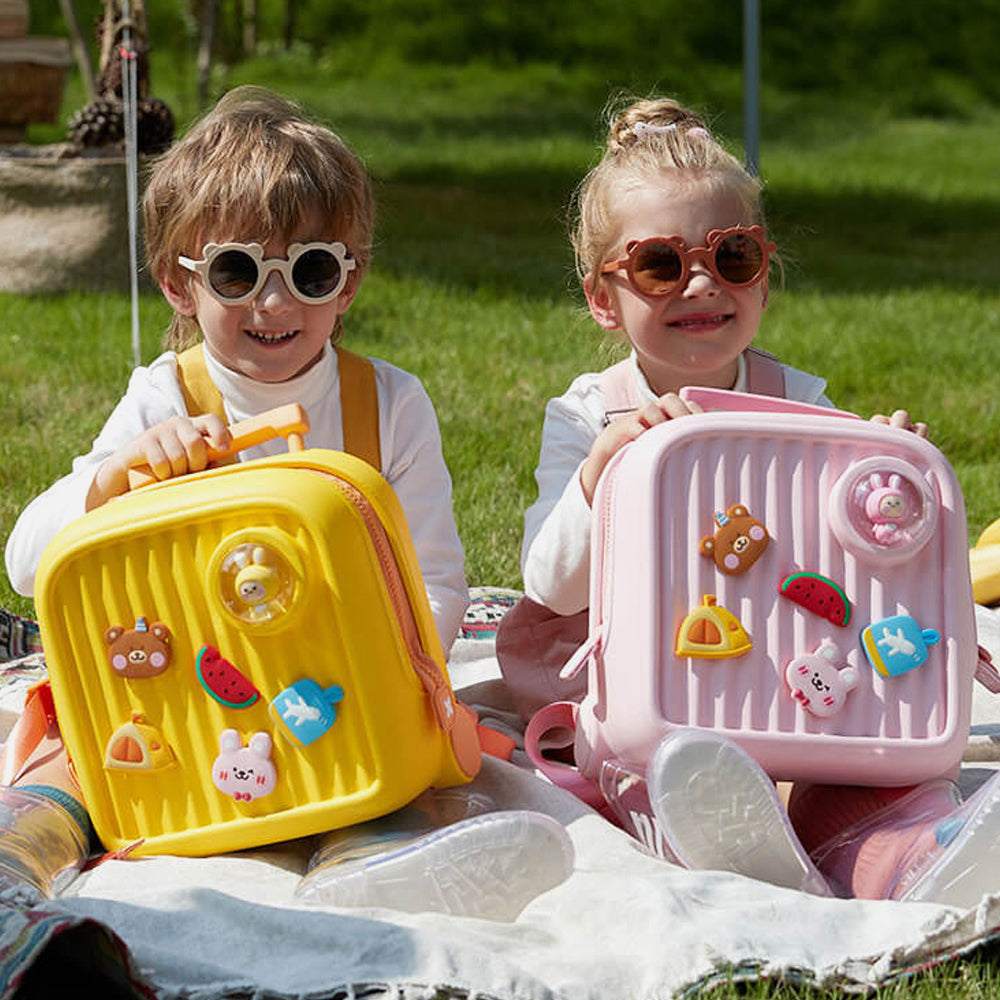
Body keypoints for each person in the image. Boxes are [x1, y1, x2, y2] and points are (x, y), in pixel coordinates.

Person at [498, 94, 1000, 909]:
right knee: (651, 770)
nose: (702, 283)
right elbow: (549, 585)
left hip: (786, 678)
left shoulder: (797, 398)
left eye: (733, 257)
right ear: (602, 297)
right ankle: (716, 841)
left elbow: (854, 549)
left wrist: (877, 464)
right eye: (661, 265)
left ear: (764, 276)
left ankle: (909, 856)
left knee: (866, 781)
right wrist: (600, 475)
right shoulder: (592, 411)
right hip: (648, 692)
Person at [0, 86, 469, 901]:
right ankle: (20, 862)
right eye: (237, 271)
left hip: (338, 691)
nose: (276, 302)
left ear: (349, 283)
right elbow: (27, 566)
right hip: (182, 698)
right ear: (181, 287)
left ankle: (373, 865)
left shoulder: (389, 406)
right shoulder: (164, 401)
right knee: (79, 760)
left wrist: (380, 681)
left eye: (312, 270)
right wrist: (115, 479)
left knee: (395, 766)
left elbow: (437, 587)